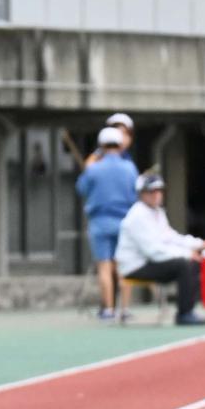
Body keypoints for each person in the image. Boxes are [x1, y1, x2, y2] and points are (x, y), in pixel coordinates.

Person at [115, 170, 205, 324]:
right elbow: (153, 250)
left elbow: (171, 237)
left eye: (159, 190)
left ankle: (188, 309)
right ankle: (184, 314)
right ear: (141, 193)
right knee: (184, 264)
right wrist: (187, 254)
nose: (156, 194)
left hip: (149, 262)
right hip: (134, 267)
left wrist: (199, 244)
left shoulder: (157, 212)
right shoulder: (137, 216)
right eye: (151, 191)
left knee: (193, 263)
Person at [75, 126, 138, 320]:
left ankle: (108, 309)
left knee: (104, 266)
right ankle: (125, 309)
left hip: (100, 221)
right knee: (124, 265)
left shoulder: (94, 168)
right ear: (120, 145)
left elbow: (81, 188)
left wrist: (88, 166)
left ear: (101, 146)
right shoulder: (130, 168)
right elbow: (135, 194)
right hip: (125, 221)